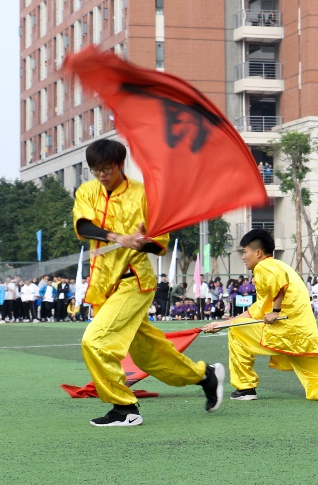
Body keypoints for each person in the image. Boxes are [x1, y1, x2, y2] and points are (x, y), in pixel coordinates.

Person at [73, 139, 224, 427]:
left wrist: (143, 243)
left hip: (134, 282)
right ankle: (206, 376)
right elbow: (84, 226)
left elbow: (159, 244)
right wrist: (117, 237)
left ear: (120, 165)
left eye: (106, 169)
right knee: (148, 354)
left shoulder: (143, 195)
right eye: (95, 169)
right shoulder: (87, 191)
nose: (101, 175)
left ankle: (124, 409)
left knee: (95, 341)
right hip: (103, 286)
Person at [203, 229, 318, 403]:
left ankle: (245, 388)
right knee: (316, 384)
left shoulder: (264, 267)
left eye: (245, 251)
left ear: (258, 253)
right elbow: (255, 311)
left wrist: (276, 311)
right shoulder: (282, 266)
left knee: (237, 332)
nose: (243, 256)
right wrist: (222, 324)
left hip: (283, 332)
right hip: (305, 336)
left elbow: (280, 283)